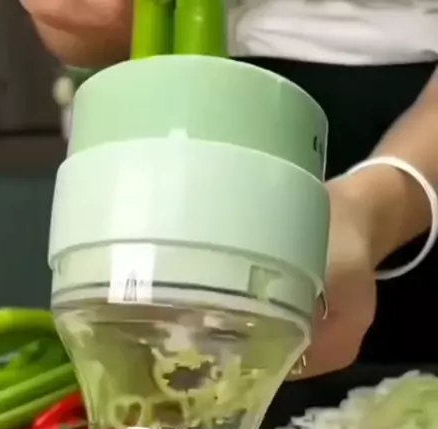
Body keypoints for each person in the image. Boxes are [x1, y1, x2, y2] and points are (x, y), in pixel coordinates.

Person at [22, 0, 438, 377]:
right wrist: (85, 17)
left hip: (409, 126)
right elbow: (85, 34)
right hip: (163, 108)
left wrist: (372, 207)